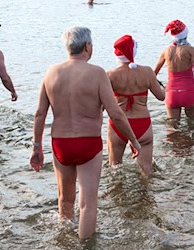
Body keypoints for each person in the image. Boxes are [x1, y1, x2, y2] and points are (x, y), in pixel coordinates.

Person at [29, 26, 141, 240]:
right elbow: (115, 113)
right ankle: (85, 244)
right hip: (88, 142)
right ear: (87, 46)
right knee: (88, 203)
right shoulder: (97, 73)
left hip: (61, 143)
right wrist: (133, 140)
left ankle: (65, 241)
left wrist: (36, 147)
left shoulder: (51, 72)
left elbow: (39, 114)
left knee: (65, 200)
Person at [107, 35, 165, 177]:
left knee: (115, 168)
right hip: (142, 123)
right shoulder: (147, 72)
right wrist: (164, 87)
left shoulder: (109, 75)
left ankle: (117, 196)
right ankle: (146, 197)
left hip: (119, 125)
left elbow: (102, 104)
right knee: (146, 170)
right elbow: (161, 96)